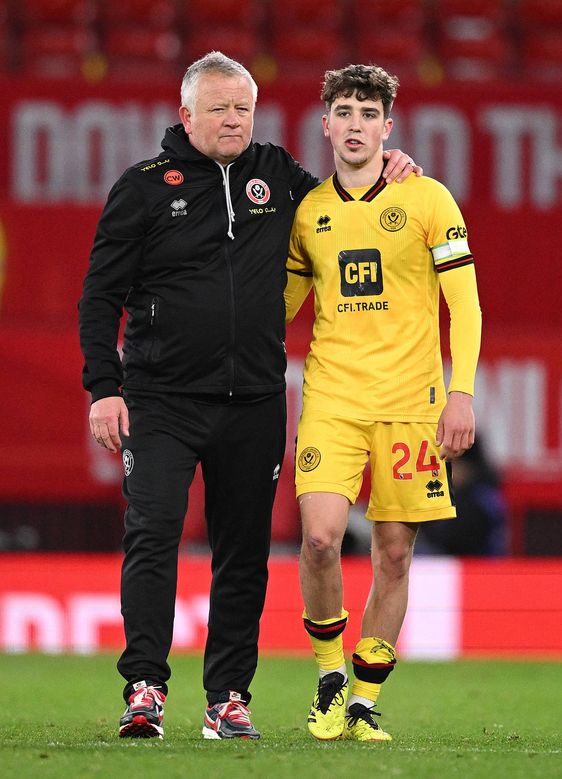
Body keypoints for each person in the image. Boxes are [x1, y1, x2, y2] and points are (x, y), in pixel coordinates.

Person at [78, 51, 419, 741]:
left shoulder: (278, 175)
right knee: (154, 536)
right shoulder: (143, 188)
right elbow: (99, 297)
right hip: (161, 398)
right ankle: (144, 686)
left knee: (244, 551)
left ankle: (227, 696)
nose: (234, 120)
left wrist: (391, 167)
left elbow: (344, 198)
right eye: (219, 108)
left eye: (243, 108)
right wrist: (102, 388)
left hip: (254, 400)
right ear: (186, 115)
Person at [283, 64, 481, 742]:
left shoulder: (427, 198)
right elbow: (281, 306)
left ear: (388, 127)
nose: (357, 125)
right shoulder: (308, 212)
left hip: (411, 403)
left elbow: (466, 303)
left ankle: (364, 699)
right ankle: (331, 676)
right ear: (327, 124)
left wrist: (461, 393)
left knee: (394, 553)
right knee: (318, 540)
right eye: (345, 112)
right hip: (333, 397)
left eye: (370, 114)